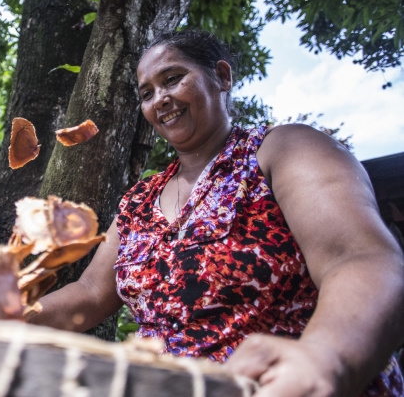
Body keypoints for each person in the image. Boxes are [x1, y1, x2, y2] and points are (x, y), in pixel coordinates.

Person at [29, 29, 404, 396]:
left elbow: (358, 258)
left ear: (222, 77)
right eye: (147, 94)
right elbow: (91, 294)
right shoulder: (138, 201)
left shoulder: (281, 151)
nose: (160, 99)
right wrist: (0, 312)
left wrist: (327, 359)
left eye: (173, 79)